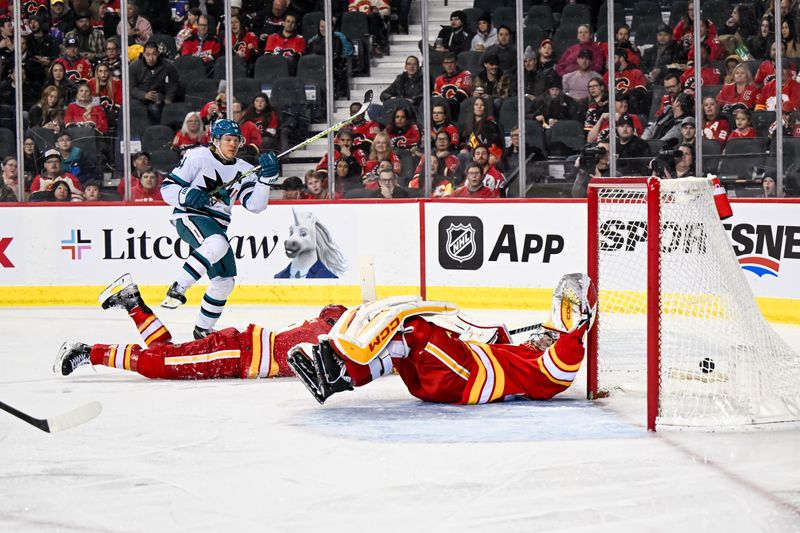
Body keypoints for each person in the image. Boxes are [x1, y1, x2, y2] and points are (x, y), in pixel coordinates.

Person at [288, 274, 597, 406]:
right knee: (401, 344)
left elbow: (561, 371)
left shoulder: (541, 374)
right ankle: (340, 378)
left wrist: (575, 333)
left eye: (548, 339)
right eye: (543, 336)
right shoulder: (522, 354)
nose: (541, 340)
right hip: (446, 378)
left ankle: (346, 371)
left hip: (466, 379)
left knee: (416, 330)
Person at [54, 273, 347, 382]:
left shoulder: (326, 328)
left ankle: (132, 302)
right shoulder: (330, 334)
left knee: (164, 352)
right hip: (235, 352)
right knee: (158, 364)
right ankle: (87, 351)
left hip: (237, 350)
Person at [159, 119, 280, 339]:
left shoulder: (244, 169)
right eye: (228, 140)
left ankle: (202, 330)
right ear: (215, 141)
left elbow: (255, 206)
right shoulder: (197, 157)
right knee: (217, 243)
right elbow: (167, 188)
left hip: (216, 225)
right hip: (190, 215)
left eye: (236, 140)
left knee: (224, 281)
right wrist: (185, 195)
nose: (233, 144)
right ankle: (179, 288)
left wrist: (265, 181)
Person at [129, 41, 180, 124]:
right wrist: (144, 95)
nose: (151, 58)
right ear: (143, 54)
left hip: (158, 97)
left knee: (155, 108)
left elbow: (174, 83)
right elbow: (131, 88)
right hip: (138, 98)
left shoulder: (168, 65)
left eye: (154, 54)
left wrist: (168, 98)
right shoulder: (134, 66)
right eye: (148, 54)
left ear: (158, 54)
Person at [434, 52, 474, 118]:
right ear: (443, 64)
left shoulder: (465, 74)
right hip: (443, 110)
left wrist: (446, 104)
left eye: (451, 62)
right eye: (446, 63)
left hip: (460, 108)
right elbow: (436, 96)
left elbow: (464, 93)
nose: (449, 65)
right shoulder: (439, 79)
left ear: (456, 63)